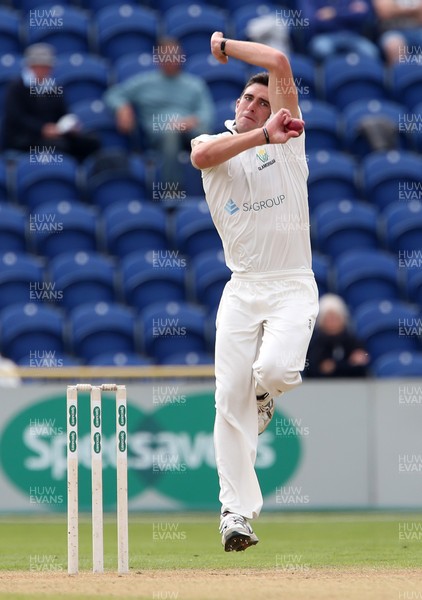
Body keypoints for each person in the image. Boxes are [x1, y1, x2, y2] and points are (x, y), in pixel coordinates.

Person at [190, 32, 319, 552]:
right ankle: (235, 515)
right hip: (242, 288)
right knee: (227, 399)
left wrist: (223, 42)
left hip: (292, 284)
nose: (251, 105)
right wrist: (262, 134)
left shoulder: (291, 140)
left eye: (264, 101)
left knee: (275, 373)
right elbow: (202, 160)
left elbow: (278, 60)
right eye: (246, 98)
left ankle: (264, 398)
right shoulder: (211, 144)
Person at [104, 37, 215, 190]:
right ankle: (172, 190)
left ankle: (213, 188)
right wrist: (122, 108)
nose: (170, 59)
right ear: (157, 58)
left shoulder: (194, 85)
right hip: (159, 133)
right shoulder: (144, 83)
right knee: (171, 133)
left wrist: (191, 121)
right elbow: (113, 94)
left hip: (190, 130)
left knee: (205, 136)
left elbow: (207, 114)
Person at [3, 43, 99, 161]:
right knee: (58, 146)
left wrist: (70, 125)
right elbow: (17, 118)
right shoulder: (17, 88)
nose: (46, 70)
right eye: (42, 66)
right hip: (26, 139)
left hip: (55, 134)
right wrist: (42, 129)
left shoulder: (53, 87)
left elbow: (63, 112)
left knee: (90, 142)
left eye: (48, 66)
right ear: (31, 66)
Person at [306, 294, 370, 377]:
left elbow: (361, 363)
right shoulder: (314, 343)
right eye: (328, 318)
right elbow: (313, 368)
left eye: (335, 318)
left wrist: (335, 366)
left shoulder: (353, 341)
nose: (332, 322)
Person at [296, 0, 380, 61]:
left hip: (353, 35)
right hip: (325, 36)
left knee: (371, 52)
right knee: (322, 49)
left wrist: (335, 13)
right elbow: (312, 21)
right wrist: (348, 12)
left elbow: (362, 15)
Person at [372, 0, 422, 65]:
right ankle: (402, 73)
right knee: (394, 45)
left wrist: (396, 9)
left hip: (417, 29)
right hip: (392, 31)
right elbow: (385, 12)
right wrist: (413, 10)